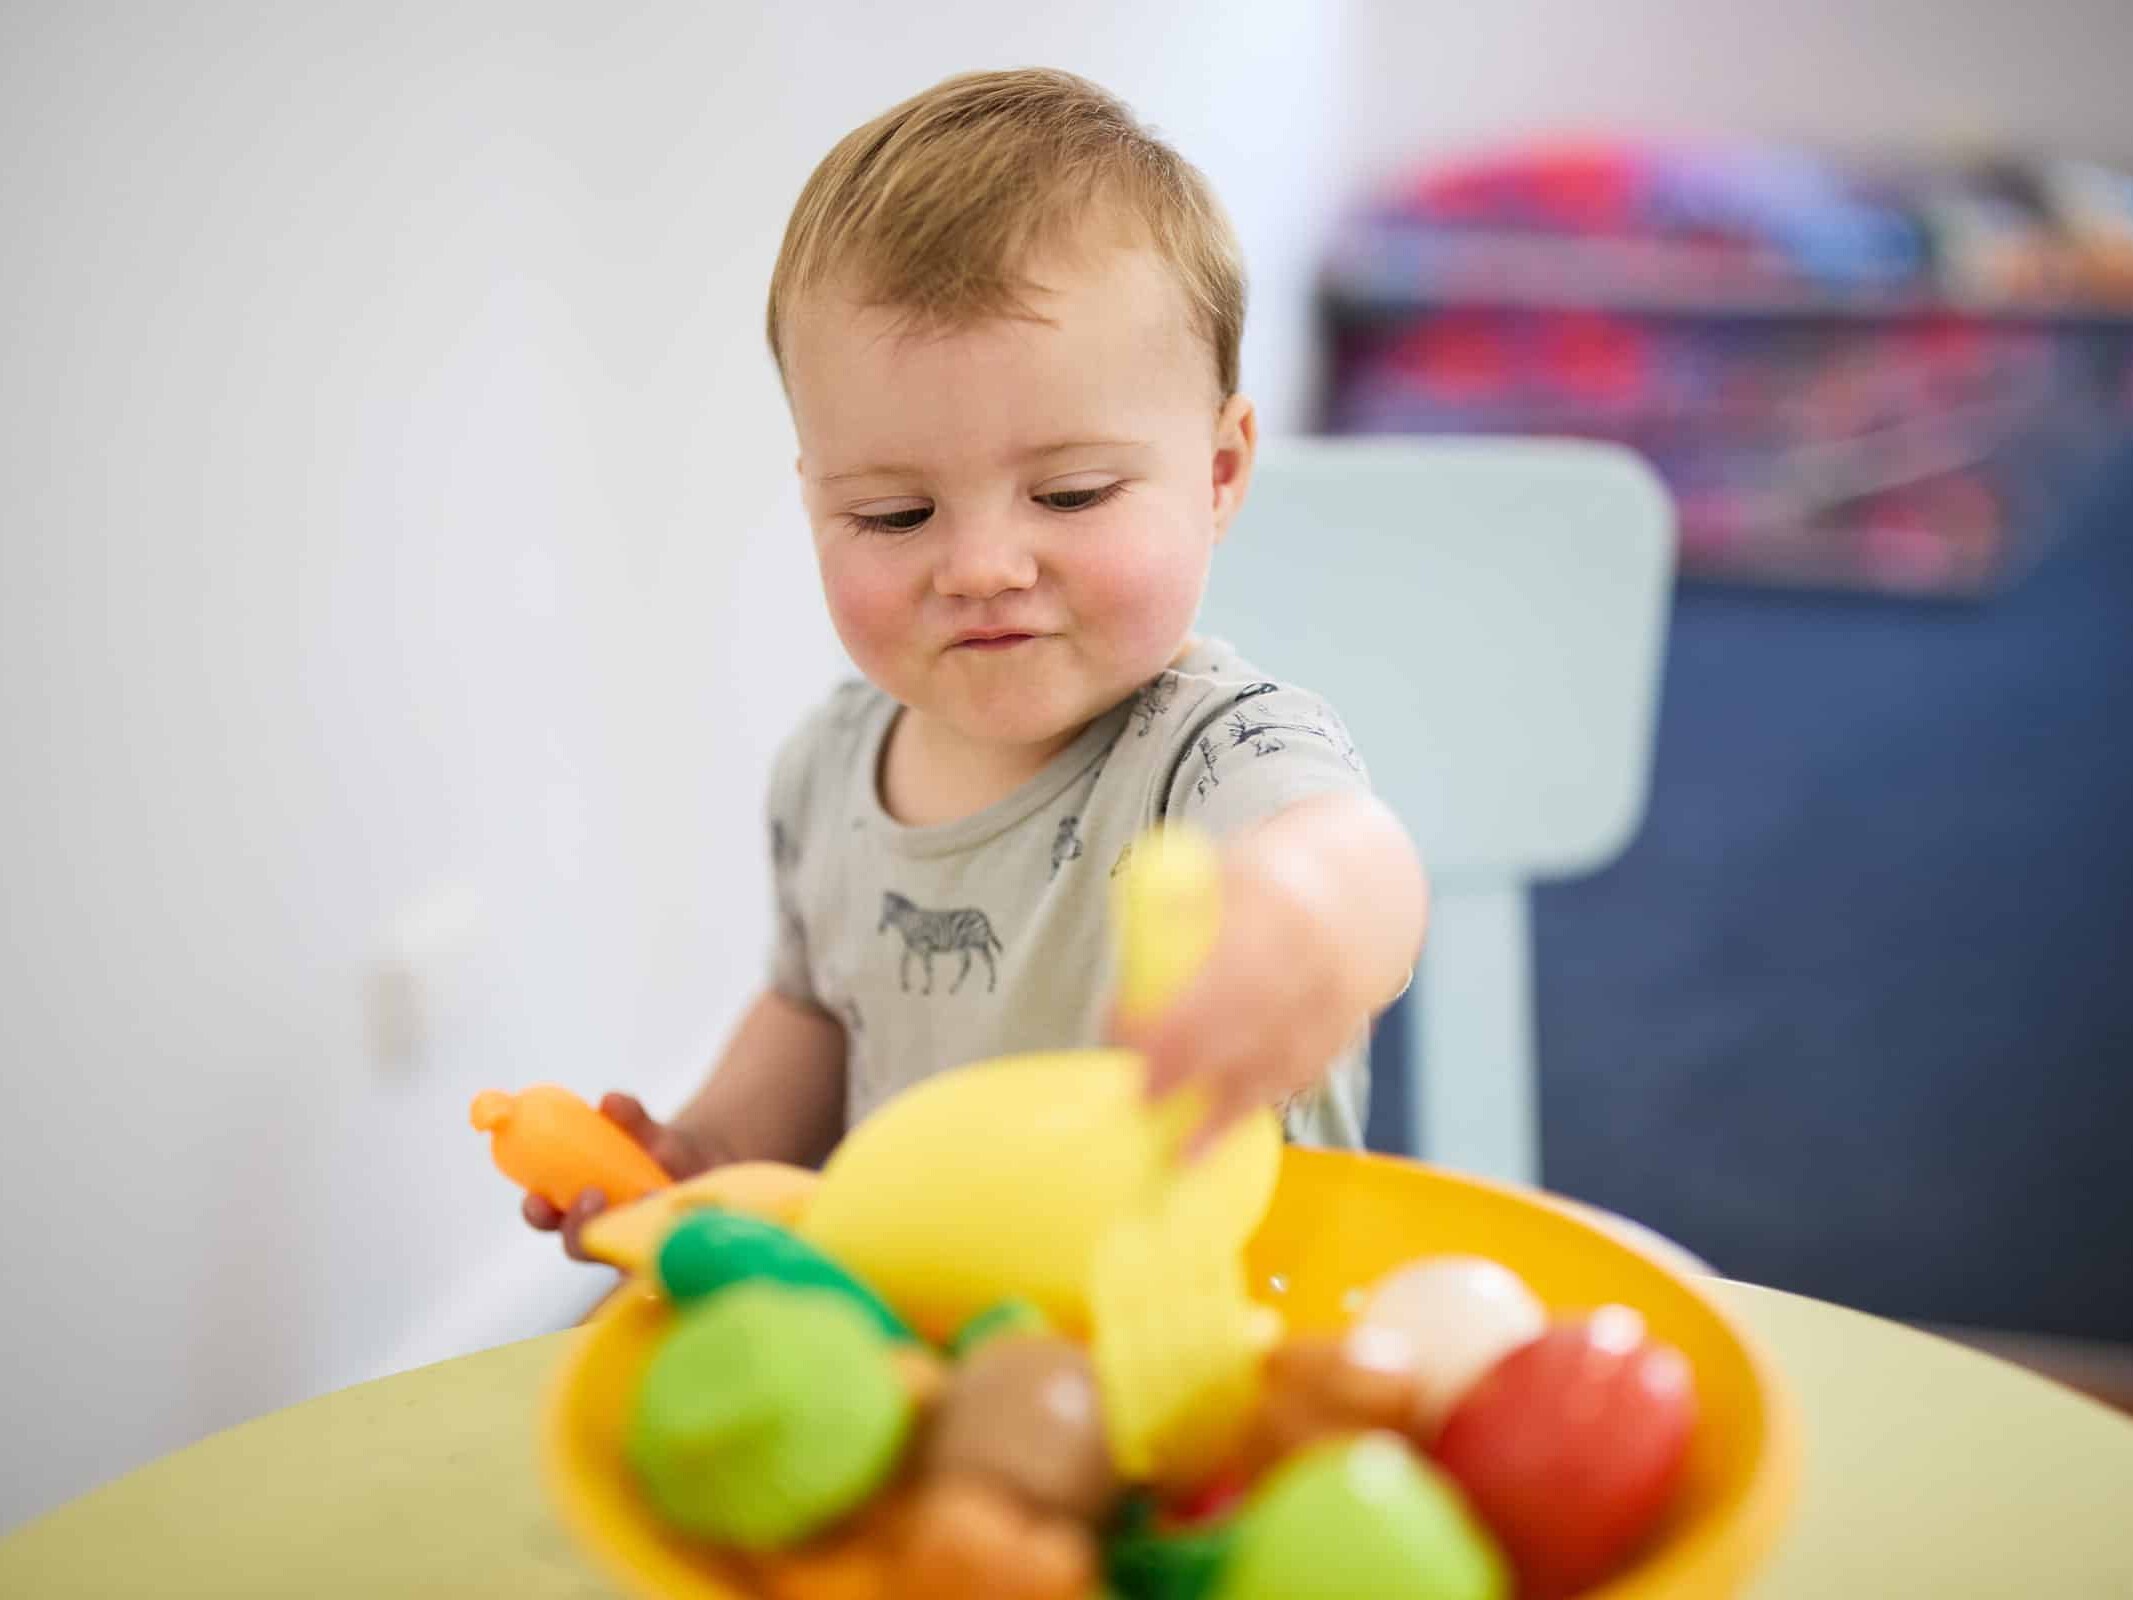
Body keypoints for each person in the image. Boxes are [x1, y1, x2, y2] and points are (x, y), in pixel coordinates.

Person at [529, 68, 1427, 1259]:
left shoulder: (1213, 752)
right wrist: (703, 1152)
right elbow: (814, 1017)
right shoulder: (827, 768)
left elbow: (1359, 865)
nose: (983, 566)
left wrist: (1308, 909)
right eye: (896, 515)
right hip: (922, 1346)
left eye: (1069, 493)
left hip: (1216, 1354)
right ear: (814, 501)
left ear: (1218, 474)